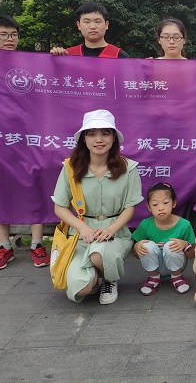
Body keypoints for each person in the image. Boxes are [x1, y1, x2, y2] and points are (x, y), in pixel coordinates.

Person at [0, 15, 51, 270]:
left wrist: (58, 56)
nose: (10, 39)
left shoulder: (29, 63)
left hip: (30, 137)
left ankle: (37, 243)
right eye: (3, 35)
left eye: (14, 34)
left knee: (35, 184)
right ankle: (4, 245)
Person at [52, 109, 143, 304]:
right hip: (81, 236)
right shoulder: (70, 168)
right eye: (92, 134)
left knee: (99, 254)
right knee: (82, 289)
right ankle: (93, 276)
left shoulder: (128, 168)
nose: (99, 140)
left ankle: (110, 279)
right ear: (84, 139)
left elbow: (130, 207)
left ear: (114, 138)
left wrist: (110, 230)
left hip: (115, 234)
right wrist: (82, 228)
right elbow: (59, 207)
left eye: (105, 133)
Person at [132, 183, 196, 296]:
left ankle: (176, 277)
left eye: (165, 203)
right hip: (154, 266)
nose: (161, 208)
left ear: (174, 203)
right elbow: (136, 254)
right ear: (149, 207)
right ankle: (154, 278)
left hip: (177, 265)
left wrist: (185, 244)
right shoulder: (145, 224)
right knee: (146, 245)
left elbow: (192, 255)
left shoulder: (184, 225)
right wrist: (137, 247)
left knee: (171, 244)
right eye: (155, 204)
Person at [50, 2, 129, 58]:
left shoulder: (119, 56)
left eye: (97, 21)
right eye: (87, 22)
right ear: (79, 25)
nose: (92, 26)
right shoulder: (68, 55)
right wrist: (54, 58)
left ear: (106, 24)